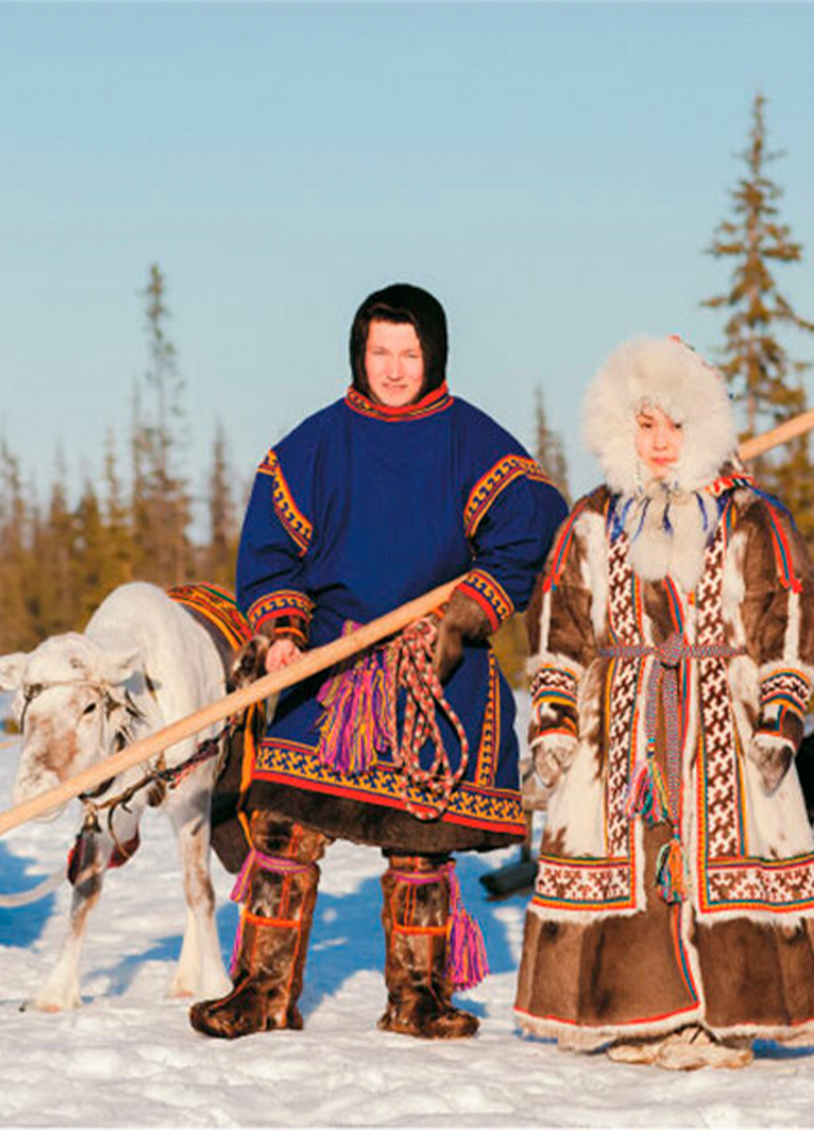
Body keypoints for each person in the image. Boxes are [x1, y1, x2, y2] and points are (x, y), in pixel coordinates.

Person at [190, 283, 568, 1040]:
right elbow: (272, 554)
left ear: (434, 356)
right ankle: (261, 990)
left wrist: (461, 613)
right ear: (359, 355)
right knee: (282, 832)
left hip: (434, 665)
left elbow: (529, 534)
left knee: (421, 846)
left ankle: (418, 997)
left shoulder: (475, 443)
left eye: (409, 353)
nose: (394, 369)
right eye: (380, 353)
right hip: (328, 666)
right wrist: (282, 634)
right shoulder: (314, 446)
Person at [513, 336, 814, 1070]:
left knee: (727, 858)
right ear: (619, 428)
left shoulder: (750, 514)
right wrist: (555, 717)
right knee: (630, 862)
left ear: (703, 428)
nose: (661, 444)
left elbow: (787, 607)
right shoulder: (593, 519)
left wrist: (780, 716)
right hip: (620, 726)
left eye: (675, 427)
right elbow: (559, 619)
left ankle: (728, 1019)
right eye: (645, 426)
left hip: (725, 716)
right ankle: (639, 1016)